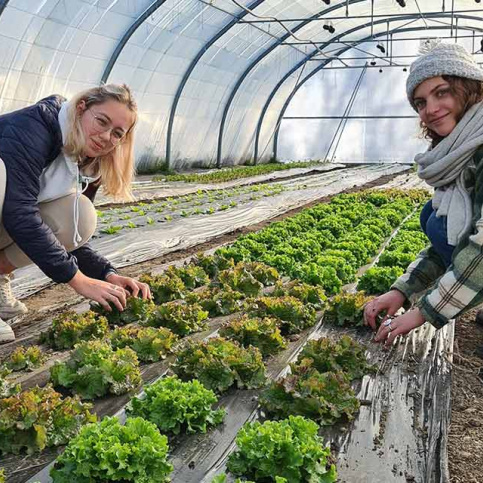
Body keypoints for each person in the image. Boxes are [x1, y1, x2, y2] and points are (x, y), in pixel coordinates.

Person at [0, 84, 150, 343]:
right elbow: (19, 212)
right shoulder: (32, 128)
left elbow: (73, 237)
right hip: (10, 209)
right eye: (101, 121)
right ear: (81, 108)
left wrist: (107, 274)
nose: (105, 137)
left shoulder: (86, 161)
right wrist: (78, 280)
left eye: (117, 134)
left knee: (79, 213)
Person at [364, 41, 483, 347]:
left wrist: (423, 312)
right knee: (435, 217)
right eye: (420, 102)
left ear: (468, 88)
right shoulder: (459, 152)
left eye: (442, 92)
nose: (430, 109)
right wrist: (403, 289)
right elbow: (453, 242)